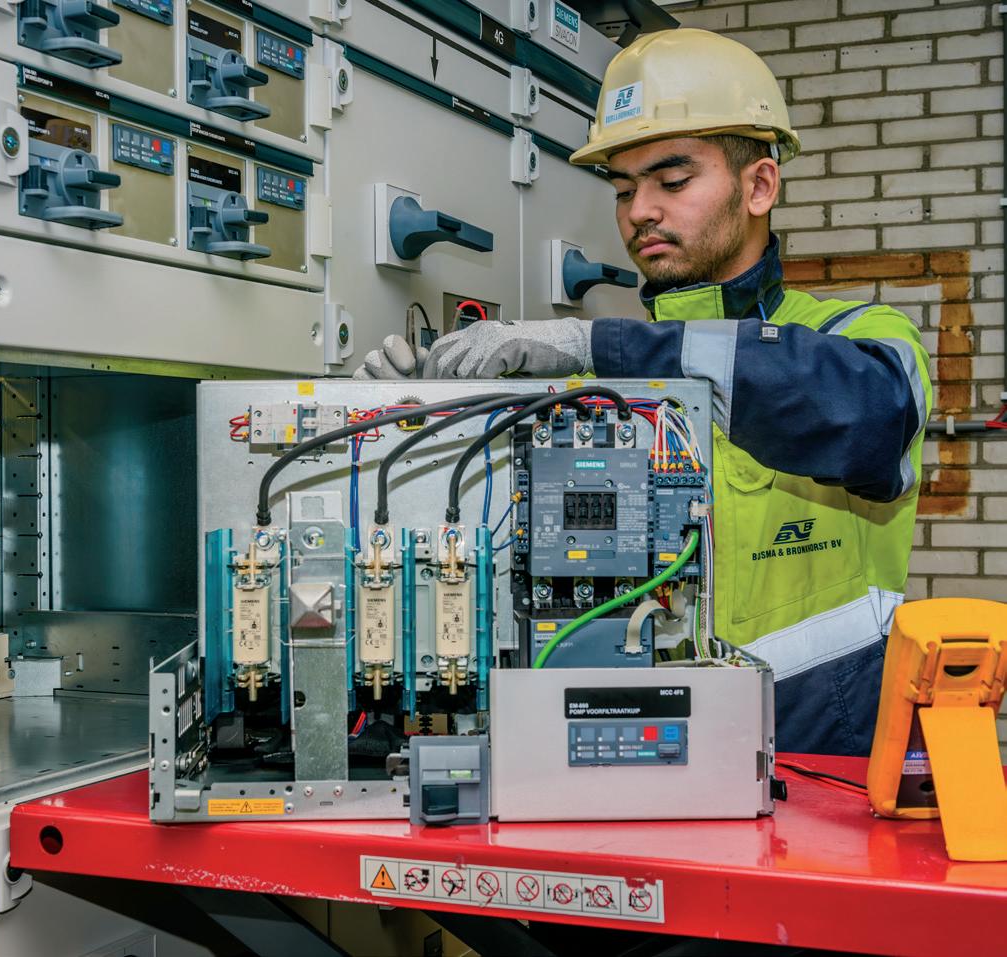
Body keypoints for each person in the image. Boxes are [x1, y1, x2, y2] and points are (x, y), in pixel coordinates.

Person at [353, 28, 931, 756]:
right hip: (625, 749)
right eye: (624, 190)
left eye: (672, 181)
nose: (639, 212)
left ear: (759, 186)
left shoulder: (860, 338)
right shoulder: (593, 386)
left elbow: (863, 414)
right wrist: (408, 421)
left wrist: (592, 345)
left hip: (824, 759)